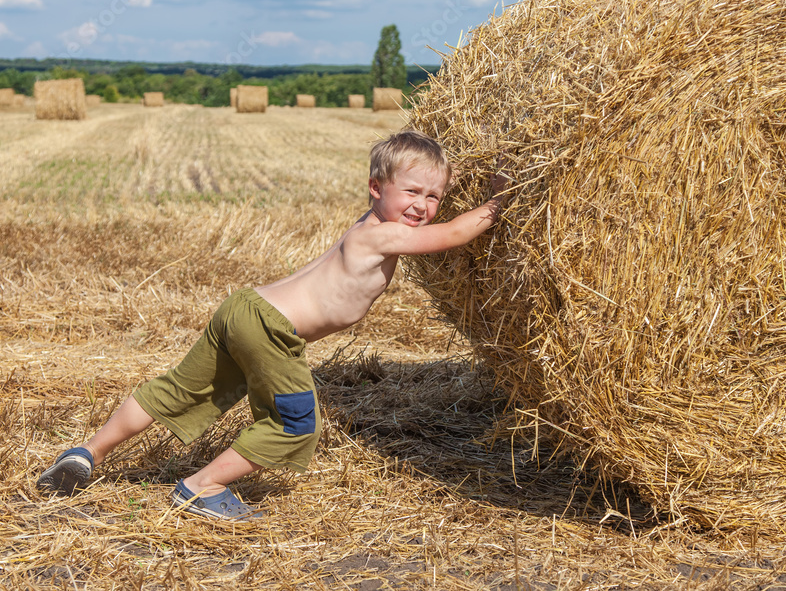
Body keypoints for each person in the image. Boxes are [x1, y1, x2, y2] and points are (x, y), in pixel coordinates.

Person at [38, 130, 504, 521]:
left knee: (177, 390)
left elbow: (435, 218)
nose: (422, 205)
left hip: (245, 307)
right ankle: (201, 486)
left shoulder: (369, 222)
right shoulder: (386, 234)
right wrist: (501, 199)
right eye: (412, 192)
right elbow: (455, 234)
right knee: (297, 424)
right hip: (273, 330)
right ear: (376, 189)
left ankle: (86, 453)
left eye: (434, 196)